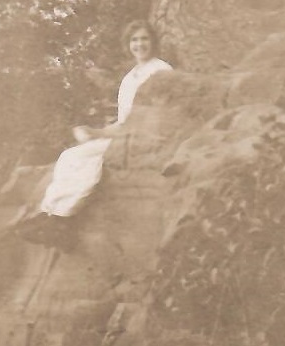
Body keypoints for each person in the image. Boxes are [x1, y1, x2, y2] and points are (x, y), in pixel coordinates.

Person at [15, 20, 172, 244]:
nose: (139, 44)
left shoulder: (162, 71)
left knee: (90, 160)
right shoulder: (129, 79)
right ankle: (50, 215)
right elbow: (122, 122)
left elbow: (162, 115)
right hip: (125, 134)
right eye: (134, 40)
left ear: (153, 41)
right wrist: (94, 132)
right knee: (70, 155)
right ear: (128, 44)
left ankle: (62, 220)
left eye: (144, 38)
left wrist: (117, 136)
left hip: (146, 137)